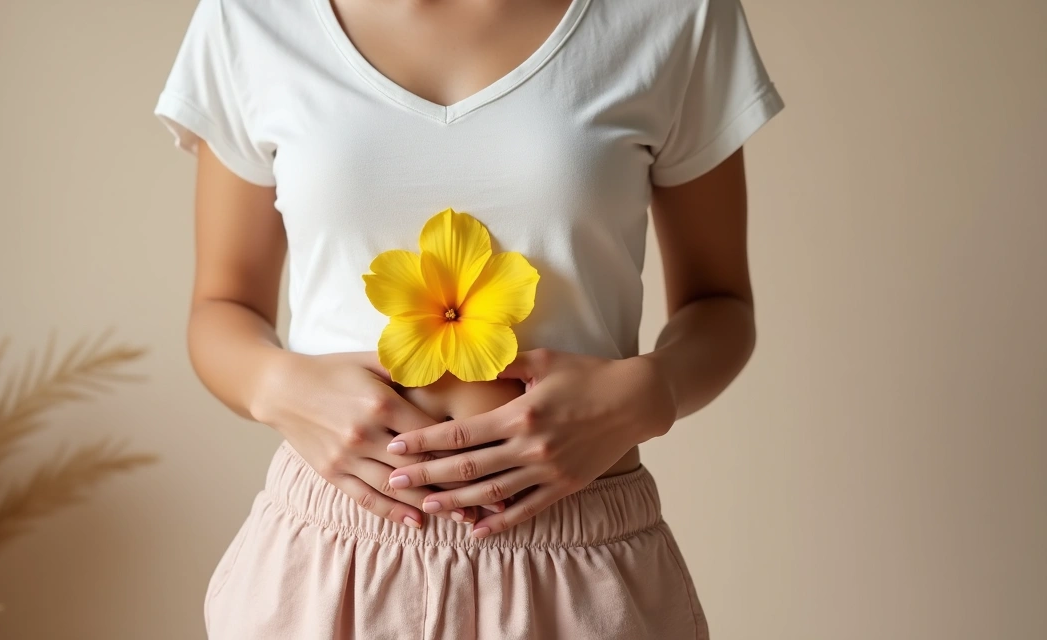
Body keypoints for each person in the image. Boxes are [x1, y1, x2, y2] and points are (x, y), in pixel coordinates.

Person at [153, 0, 783, 636]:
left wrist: (651, 392)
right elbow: (222, 306)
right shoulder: (251, 17)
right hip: (332, 562)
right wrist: (279, 388)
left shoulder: (676, 14)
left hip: (577, 567)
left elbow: (720, 302)